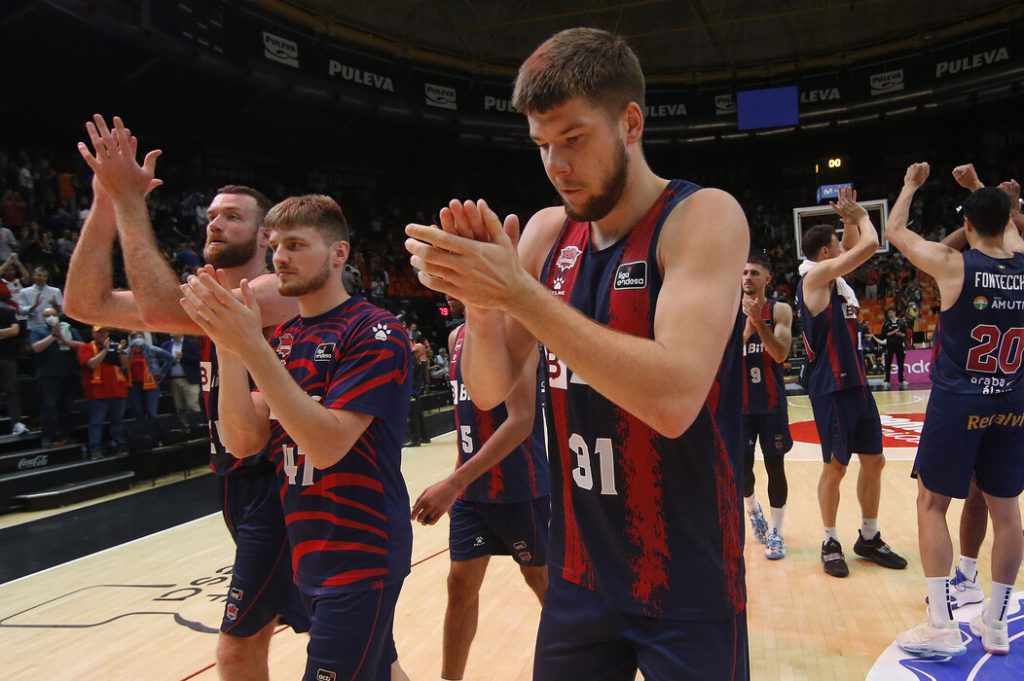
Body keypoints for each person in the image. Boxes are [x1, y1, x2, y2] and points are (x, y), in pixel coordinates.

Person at [405, 28, 750, 680]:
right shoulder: (545, 233)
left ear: (630, 122)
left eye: (574, 138)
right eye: (541, 145)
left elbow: (675, 399)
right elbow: (487, 389)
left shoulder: (702, 217)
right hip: (580, 575)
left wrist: (519, 293)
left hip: (689, 579)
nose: (556, 165)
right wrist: (481, 304)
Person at [66, 115, 313, 681]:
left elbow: (154, 312)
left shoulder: (275, 293)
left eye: (233, 216)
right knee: (339, 638)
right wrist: (105, 201)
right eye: (210, 216)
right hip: (235, 481)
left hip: (283, 484)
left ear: (267, 237)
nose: (215, 224)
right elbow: (85, 304)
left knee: (237, 647)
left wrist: (132, 204)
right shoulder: (209, 296)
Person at [180, 195, 413, 681]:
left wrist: (251, 347)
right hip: (309, 546)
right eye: (276, 245)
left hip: (361, 549)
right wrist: (228, 348)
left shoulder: (375, 331)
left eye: (297, 245)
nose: (280, 256)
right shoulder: (284, 338)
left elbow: (328, 445)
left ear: (339, 254)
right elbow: (244, 443)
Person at [889, 164, 1024, 657]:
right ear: (1007, 218)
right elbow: (1009, 226)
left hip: (958, 401)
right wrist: (982, 190)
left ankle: (941, 625)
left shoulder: (954, 264)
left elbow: (895, 231)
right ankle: (996, 622)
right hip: (1012, 401)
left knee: (932, 504)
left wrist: (909, 186)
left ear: (966, 224)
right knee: (1007, 513)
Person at [410, 294, 549, 681]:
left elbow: (521, 422)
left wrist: (454, 481)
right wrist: (459, 482)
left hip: (522, 487)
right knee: (459, 585)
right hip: (472, 490)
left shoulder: (517, 332)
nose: (446, 293)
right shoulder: (456, 339)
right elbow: (466, 424)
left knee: (541, 582)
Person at [796, 187, 908, 578]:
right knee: (836, 466)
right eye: (837, 246)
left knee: (874, 461)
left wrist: (845, 220)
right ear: (825, 253)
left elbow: (847, 248)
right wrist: (861, 216)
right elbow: (870, 244)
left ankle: (869, 537)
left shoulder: (834, 279)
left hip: (857, 384)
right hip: (831, 388)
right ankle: (829, 540)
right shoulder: (815, 279)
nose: (842, 249)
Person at [740, 253, 794, 560]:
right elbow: (724, 357)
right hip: (741, 407)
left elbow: (780, 354)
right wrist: (747, 327)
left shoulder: (781, 310)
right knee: (743, 472)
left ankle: (776, 530)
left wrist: (759, 322)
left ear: (767, 279)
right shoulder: (726, 310)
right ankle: (752, 509)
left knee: (776, 468)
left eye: (755, 273)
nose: (748, 277)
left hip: (772, 405)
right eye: (745, 273)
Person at [29, 306, 83, 447]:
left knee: (66, 406)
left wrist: (64, 338)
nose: (51, 317)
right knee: (49, 406)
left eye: (53, 314)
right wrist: (53, 336)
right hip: (48, 375)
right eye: (47, 315)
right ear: (43, 319)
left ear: (58, 315)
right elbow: (36, 348)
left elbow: (82, 346)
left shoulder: (70, 329)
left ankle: (65, 435)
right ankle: (48, 436)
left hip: (69, 373)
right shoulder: (38, 331)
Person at [77, 326, 128, 458]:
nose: (102, 334)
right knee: (97, 421)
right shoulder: (85, 347)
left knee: (117, 420)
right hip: (97, 392)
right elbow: (92, 364)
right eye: (99, 332)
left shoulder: (116, 347)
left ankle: (119, 445)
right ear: (93, 334)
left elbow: (126, 366)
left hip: (117, 390)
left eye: (104, 332)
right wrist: (105, 350)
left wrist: (121, 351)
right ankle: (95, 448)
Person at [124, 330, 172, 421]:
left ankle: (157, 433)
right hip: (134, 385)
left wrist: (161, 372)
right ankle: (142, 433)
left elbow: (170, 358)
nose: (138, 339)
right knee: (137, 412)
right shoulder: (126, 352)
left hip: (151, 384)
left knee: (152, 413)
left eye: (140, 337)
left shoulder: (151, 349)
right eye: (135, 338)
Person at [161, 333, 201, 423]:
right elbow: (162, 361)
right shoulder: (165, 345)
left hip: (190, 379)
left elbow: (198, 359)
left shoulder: (191, 344)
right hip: (174, 379)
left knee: (192, 405)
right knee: (179, 407)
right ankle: (186, 427)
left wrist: (183, 357)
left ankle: (198, 426)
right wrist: (172, 360)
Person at [16, 266, 62, 332]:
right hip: (34, 327)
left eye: (44, 276)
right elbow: (22, 312)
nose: (41, 278)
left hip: (52, 327)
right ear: (34, 276)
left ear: (47, 278)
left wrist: (56, 305)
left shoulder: (56, 291)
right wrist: (34, 305)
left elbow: (61, 312)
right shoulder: (24, 292)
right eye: (39, 275)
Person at [881, 307, 908, 387]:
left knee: (900, 362)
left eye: (891, 312)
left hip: (899, 345)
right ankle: (887, 380)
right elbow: (883, 335)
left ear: (894, 313)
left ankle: (902, 380)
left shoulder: (901, 323)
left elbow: (905, 334)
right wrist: (894, 332)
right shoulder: (886, 324)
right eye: (888, 313)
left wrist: (899, 334)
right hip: (889, 346)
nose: (889, 314)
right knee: (888, 363)